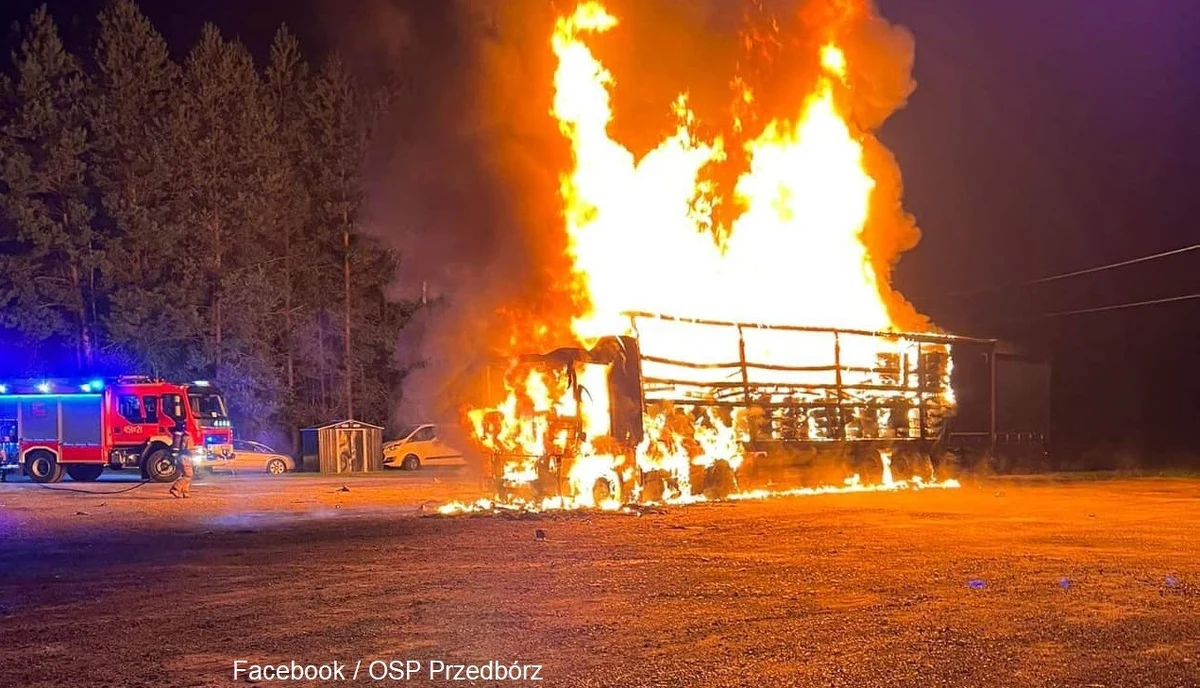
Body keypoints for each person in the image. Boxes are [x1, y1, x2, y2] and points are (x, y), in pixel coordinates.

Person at [168, 416, 194, 498]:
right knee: (188, 475)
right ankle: (175, 488)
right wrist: (194, 452)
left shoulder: (180, 435)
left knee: (185, 475)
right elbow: (187, 448)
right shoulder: (187, 436)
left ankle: (185, 492)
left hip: (181, 457)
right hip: (185, 457)